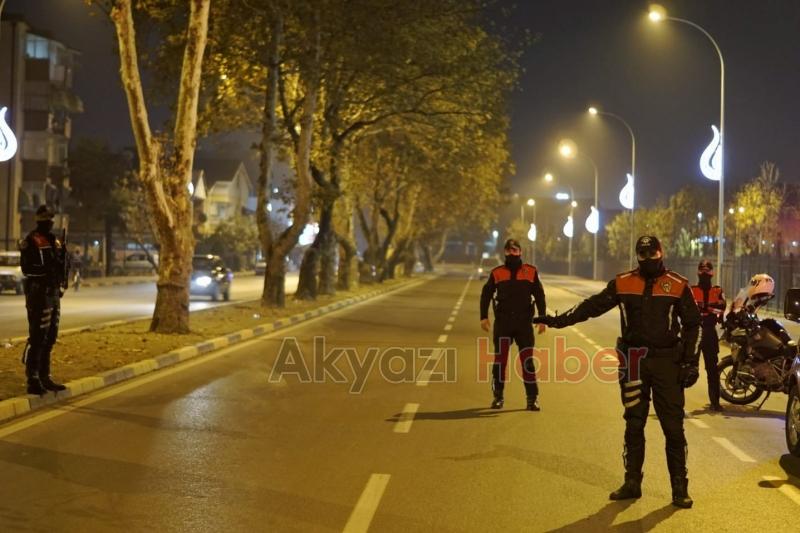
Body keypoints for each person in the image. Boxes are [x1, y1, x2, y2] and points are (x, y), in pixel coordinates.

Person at [534, 236, 701, 508]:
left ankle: (679, 488)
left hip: (666, 363)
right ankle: (632, 482)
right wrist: (558, 321)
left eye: (652, 252)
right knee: (634, 422)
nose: (647, 258)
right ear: (637, 256)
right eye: (642, 254)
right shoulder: (623, 282)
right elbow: (591, 306)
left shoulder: (678, 284)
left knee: (673, 426)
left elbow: (694, 324)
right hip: (633, 360)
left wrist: (691, 362)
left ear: (662, 252)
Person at [479, 238, 547, 411]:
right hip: (503, 324)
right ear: (505, 253)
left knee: (527, 363)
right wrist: (483, 317)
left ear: (520, 252)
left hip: (524, 324)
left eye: (515, 250)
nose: (512, 253)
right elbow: (486, 294)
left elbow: (539, 295)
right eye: (509, 251)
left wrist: (542, 319)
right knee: (499, 362)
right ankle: (498, 397)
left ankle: (532, 399)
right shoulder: (497, 273)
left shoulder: (531, 272)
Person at [18, 205, 68, 395]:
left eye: (51, 219)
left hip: (53, 294)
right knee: (38, 337)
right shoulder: (31, 241)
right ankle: (32, 378)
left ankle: (45, 376)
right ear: (40, 221)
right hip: (38, 294)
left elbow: (61, 265)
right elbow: (27, 269)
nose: (50, 222)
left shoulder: (55, 240)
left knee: (50, 337)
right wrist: (47, 270)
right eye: (47, 220)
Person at [691, 260, 726, 411]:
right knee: (689, 367)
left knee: (712, 369)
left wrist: (704, 308)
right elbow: (687, 308)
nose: (705, 273)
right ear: (698, 272)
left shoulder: (717, 291)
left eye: (707, 270)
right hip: (695, 331)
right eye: (702, 270)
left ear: (712, 273)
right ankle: (676, 402)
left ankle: (715, 402)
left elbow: (721, 308)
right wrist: (710, 309)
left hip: (710, 332)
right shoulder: (691, 290)